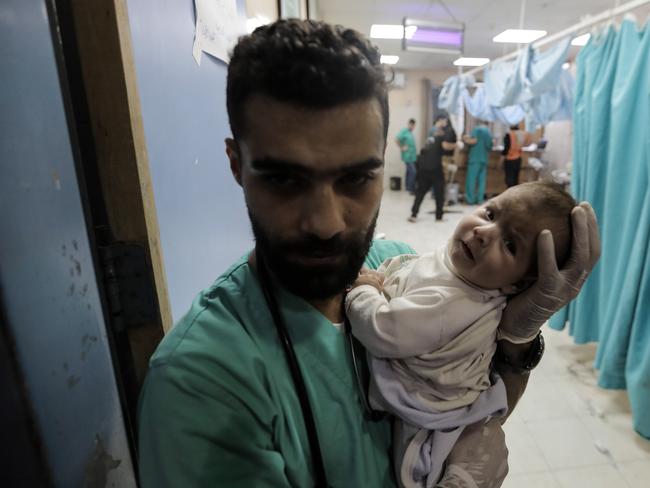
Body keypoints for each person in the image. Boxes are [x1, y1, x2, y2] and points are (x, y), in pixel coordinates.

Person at [137, 19, 601, 488]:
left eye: (356, 179)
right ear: (237, 165)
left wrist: (518, 338)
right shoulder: (201, 385)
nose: (325, 222)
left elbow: (466, 398)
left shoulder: (394, 264)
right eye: (284, 179)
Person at [346, 181, 575, 487]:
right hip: (467, 402)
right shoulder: (464, 275)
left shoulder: (453, 303)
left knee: (422, 468)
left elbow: (381, 328)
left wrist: (364, 290)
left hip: (430, 415)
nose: (484, 233)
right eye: (491, 214)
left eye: (510, 244)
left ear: (516, 286)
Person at [408, 115, 455, 222]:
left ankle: (413, 215)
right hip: (434, 168)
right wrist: (457, 145)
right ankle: (439, 217)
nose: (446, 123)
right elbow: (446, 146)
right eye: (445, 121)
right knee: (439, 192)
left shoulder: (430, 136)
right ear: (440, 121)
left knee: (420, 192)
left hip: (424, 167)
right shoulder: (437, 132)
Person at [463, 121, 493, 204]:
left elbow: (474, 141)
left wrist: (465, 139)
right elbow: (490, 145)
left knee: (471, 180)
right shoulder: (488, 132)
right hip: (484, 158)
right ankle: (479, 200)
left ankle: (470, 199)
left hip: (475, 159)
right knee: (481, 181)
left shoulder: (477, 129)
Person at [396, 119, 418, 193]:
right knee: (413, 171)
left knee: (409, 171)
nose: (412, 126)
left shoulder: (410, 133)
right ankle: (410, 188)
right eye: (411, 125)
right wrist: (402, 147)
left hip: (412, 156)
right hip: (407, 156)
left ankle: (407, 187)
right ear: (409, 124)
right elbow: (397, 139)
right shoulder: (404, 131)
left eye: (413, 125)